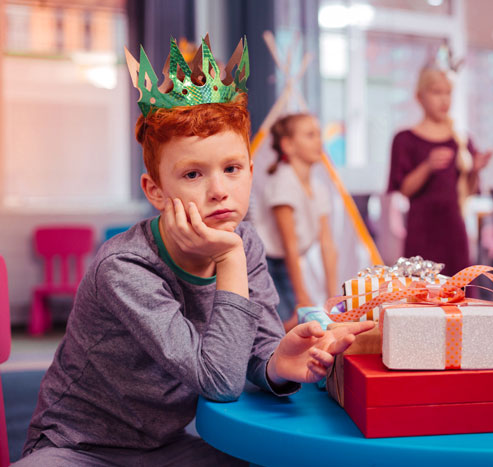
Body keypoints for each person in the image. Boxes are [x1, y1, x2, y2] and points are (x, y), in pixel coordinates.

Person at [16, 38, 372, 466]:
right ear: (156, 191)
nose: (219, 190)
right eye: (192, 174)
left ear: (250, 171)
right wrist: (230, 258)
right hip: (78, 449)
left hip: (167, 447)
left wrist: (278, 362)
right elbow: (218, 380)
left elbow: (253, 349)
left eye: (232, 169)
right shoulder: (124, 266)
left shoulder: (247, 242)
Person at [387, 67, 492, 276]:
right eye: (436, 92)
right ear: (419, 97)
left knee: (459, 293)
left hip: (455, 232)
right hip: (421, 232)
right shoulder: (405, 139)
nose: (444, 100)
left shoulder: (461, 140)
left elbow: (467, 192)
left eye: (448, 93)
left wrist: (474, 171)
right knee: (420, 295)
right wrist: (427, 166)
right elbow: (404, 190)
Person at [254, 114, 337, 332]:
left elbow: (327, 246)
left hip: (284, 263)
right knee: (285, 324)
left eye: (319, 134)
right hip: (265, 263)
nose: (319, 141)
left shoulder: (318, 188)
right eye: (310, 135)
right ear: (288, 145)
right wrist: (302, 298)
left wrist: (334, 299)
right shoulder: (283, 182)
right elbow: (289, 245)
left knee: (300, 319)